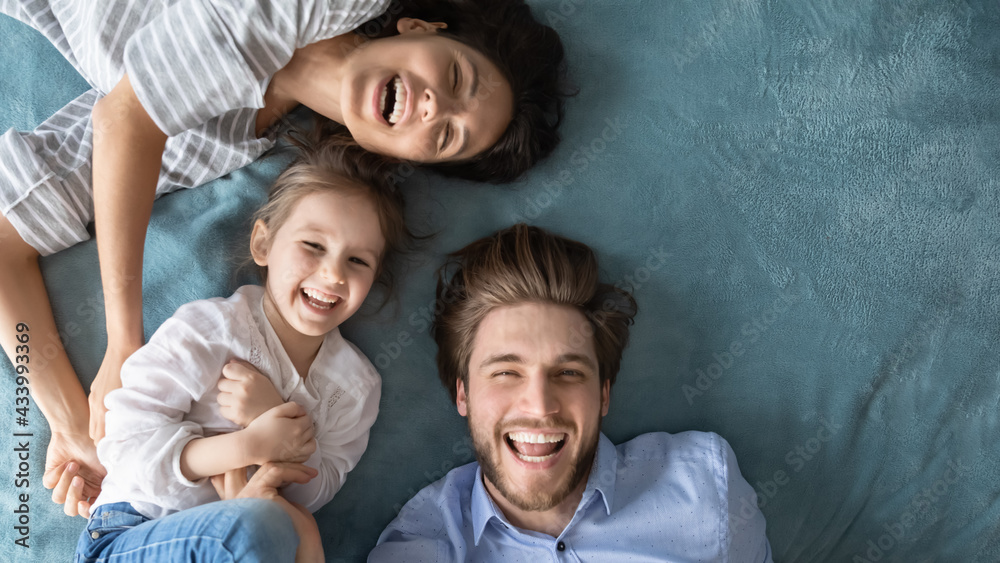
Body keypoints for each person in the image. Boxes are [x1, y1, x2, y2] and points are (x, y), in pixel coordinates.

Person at [0, 0, 567, 516]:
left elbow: (8, 235)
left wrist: (73, 425)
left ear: (410, 158)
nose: (430, 105)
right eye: (453, 76)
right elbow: (126, 119)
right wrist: (124, 343)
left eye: (445, 136)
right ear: (418, 27)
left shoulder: (213, 144)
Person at [74, 140, 406, 561]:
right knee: (274, 527)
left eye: (357, 261)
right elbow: (124, 443)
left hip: (253, 539)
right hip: (133, 530)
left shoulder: (357, 386)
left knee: (294, 526)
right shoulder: (213, 330)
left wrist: (276, 418)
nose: (333, 274)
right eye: (314, 246)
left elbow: (317, 492)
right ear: (263, 244)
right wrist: (248, 447)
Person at [369, 224, 773, 561]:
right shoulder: (419, 549)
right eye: (507, 372)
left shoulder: (705, 486)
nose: (540, 406)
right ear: (463, 395)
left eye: (567, 372)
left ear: (603, 394)